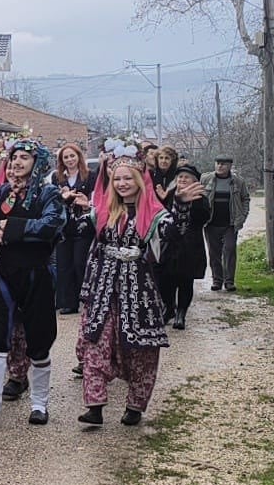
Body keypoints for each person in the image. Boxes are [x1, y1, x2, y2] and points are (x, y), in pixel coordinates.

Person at [77, 153, 200, 427]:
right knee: (96, 344)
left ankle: (135, 405)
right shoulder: (104, 210)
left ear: (139, 180)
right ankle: (95, 406)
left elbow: (173, 232)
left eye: (127, 178)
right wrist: (77, 210)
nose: (121, 183)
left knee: (141, 350)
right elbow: (80, 229)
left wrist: (180, 204)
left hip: (139, 290)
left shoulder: (154, 212)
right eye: (116, 178)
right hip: (104, 289)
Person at [0, 139, 64, 427]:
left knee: (39, 337)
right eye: (13, 158)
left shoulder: (49, 193)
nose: (17, 163)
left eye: (24, 157)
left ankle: (39, 404)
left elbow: (52, 225)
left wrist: (11, 228)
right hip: (2, 272)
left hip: (36, 272)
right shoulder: (1, 191)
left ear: (37, 162)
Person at [158, 164, 211, 329]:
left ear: (194, 181)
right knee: (165, 279)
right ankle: (169, 309)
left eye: (186, 177)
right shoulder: (171, 193)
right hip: (169, 243)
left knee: (185, 280)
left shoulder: (200, 197)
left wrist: (190, 205)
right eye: (180, 177)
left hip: (190, 244)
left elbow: (204, 218)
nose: (182, 180)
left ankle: (181, 313)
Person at [53, 144, 96, 315]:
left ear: (78, 157)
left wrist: (86, 203)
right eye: (66, 157)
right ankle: (68, 302)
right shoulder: (57, 178)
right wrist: (62, 197)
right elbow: (53, 199)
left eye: (72, 156)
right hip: (65, 225)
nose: (70, 160)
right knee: (63, 264)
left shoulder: (90, 176)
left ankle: (85, 298)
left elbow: (96, 199)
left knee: (80, 263)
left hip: (83, 225)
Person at [200, 156, 250, 291]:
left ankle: (229, 281)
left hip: (230, 223)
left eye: (223, 164)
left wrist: (242, 216)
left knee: (230, 249)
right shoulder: (206, 179)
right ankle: (217, 280)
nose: (220, 166)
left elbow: (245, 198)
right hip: (211, 222)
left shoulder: (238, 182)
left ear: (230, 166)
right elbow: (199, 196)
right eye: (218, 163)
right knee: (214, 252)